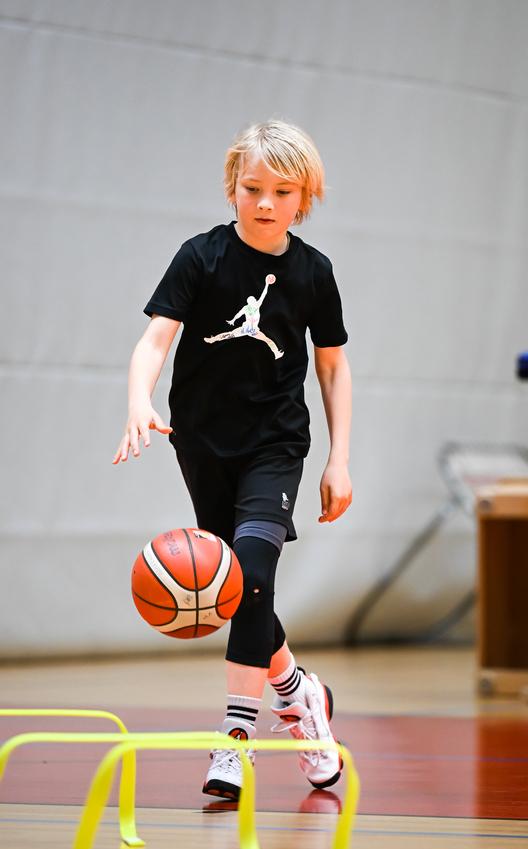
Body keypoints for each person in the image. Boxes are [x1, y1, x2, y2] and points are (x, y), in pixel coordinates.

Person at [113, 119, 352, 800]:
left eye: (283, 191)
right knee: (238, 588)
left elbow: (333, 368)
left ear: (305, 196)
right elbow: (155, 340)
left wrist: (339, 460)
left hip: (275, 443)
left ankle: (235, 738)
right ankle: (299, 692)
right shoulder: (201, 257)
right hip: (202, 443)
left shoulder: (313, 272)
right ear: (232, 187)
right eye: (252, 188)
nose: (266, 202)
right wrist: (138, 399)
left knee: (251, 571)